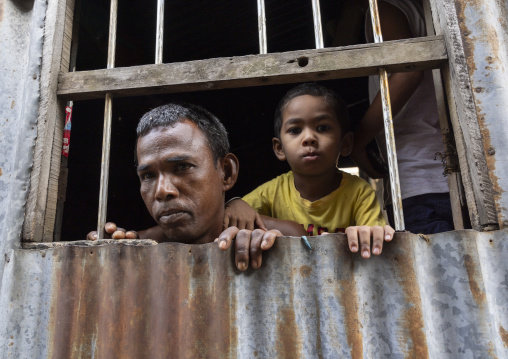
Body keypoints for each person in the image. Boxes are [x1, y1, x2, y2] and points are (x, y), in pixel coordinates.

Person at [87, 102, 305, 271]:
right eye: (148, 175)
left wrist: (274, 251)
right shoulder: (135, 246)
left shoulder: (285, 237)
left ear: (227, 172)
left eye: (182, 167)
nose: (162, 190)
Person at [225, 83, 395, 259]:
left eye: (322, 128)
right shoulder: (270, 193)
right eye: (295, 130)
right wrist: (235, 202)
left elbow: (375, 242)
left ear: (345, 143)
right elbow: (232, 215)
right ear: (279, 148)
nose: (308, 138)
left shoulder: (359, 193)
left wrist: (366, 235)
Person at [349, 0, 454, 234]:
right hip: (454, 179)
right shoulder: (431, 11)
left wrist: (358, 143)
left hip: (418, 179)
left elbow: (408, 73)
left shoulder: (383, 7)